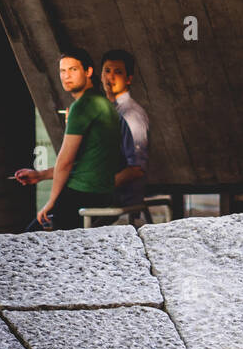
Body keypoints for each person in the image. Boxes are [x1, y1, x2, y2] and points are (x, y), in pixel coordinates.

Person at [15, 50, 125, 231]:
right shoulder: (103, 103)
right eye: (62, 71)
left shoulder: (82, 107)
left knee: (28, 240)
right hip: (102, 194)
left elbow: (65, 161)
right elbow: (86, 162)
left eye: (73, 69)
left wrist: (51, 201)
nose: (66, 76)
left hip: (83, 195)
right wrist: (40, 175)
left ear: (88, 72)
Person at [100, 48, 149, 206]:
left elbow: (136, 169)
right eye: (107, 71)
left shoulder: (131, 115)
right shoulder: (104, 110)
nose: (110, 77)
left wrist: (99, 187)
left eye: (118, 72)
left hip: (118, 196)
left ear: (128, 79)